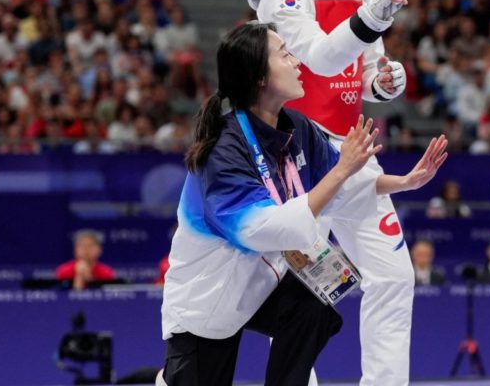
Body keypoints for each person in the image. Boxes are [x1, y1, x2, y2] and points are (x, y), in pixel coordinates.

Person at [158, 22, 447, 386]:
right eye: (284, 54)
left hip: (260, 284)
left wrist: (404, 182)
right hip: (208, 297)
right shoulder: (224, 150)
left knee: (313, 305)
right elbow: (262, 228)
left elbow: (344, 183)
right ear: (259, 76)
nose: (297, 62)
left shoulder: (297, 126)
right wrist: (342, 170)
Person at [247, 0, 417, 386]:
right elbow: (320, 60)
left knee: (393, 276)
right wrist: (374, 17)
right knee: (294, 288)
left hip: (353, 153)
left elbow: (367, 76)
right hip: (294, 162)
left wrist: (389, 80)